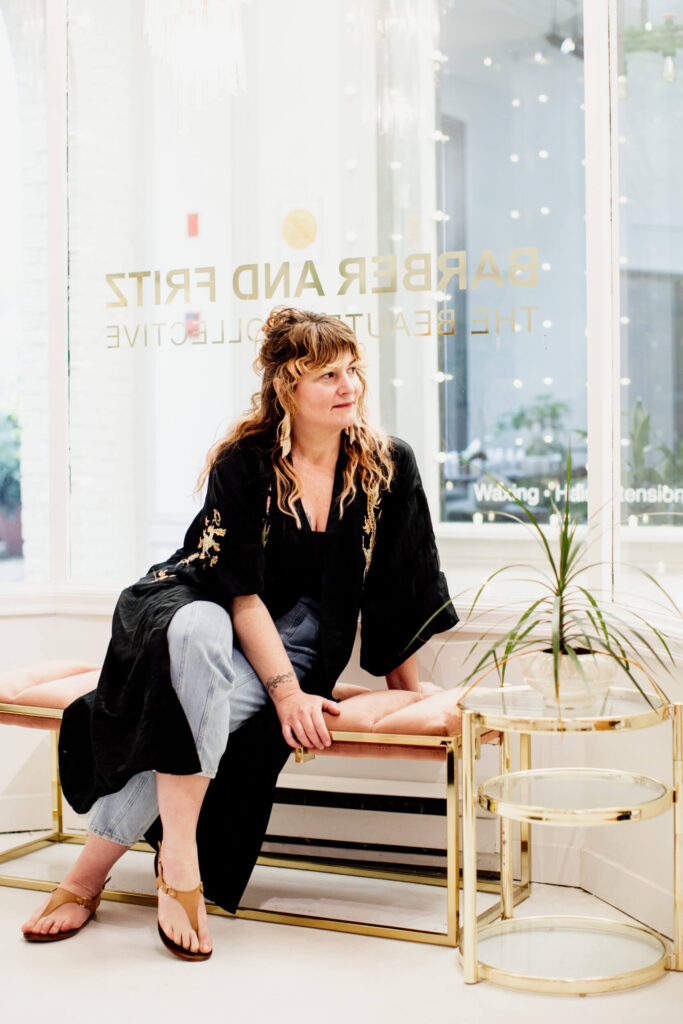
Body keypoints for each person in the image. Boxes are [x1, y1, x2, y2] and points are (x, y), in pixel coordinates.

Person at [21, 306, 457, 959]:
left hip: (298, 647)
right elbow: (238, 592)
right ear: (287, 385)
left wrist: (408, 694)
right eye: (327, 375)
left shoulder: (384, 466)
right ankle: (183, 860)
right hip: (202, 606)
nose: (349, 387)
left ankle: (85, 878)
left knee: (192, 716)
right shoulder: (245, 462)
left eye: (352, 371)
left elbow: (405, 578)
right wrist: (287, 696)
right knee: (196, 629)